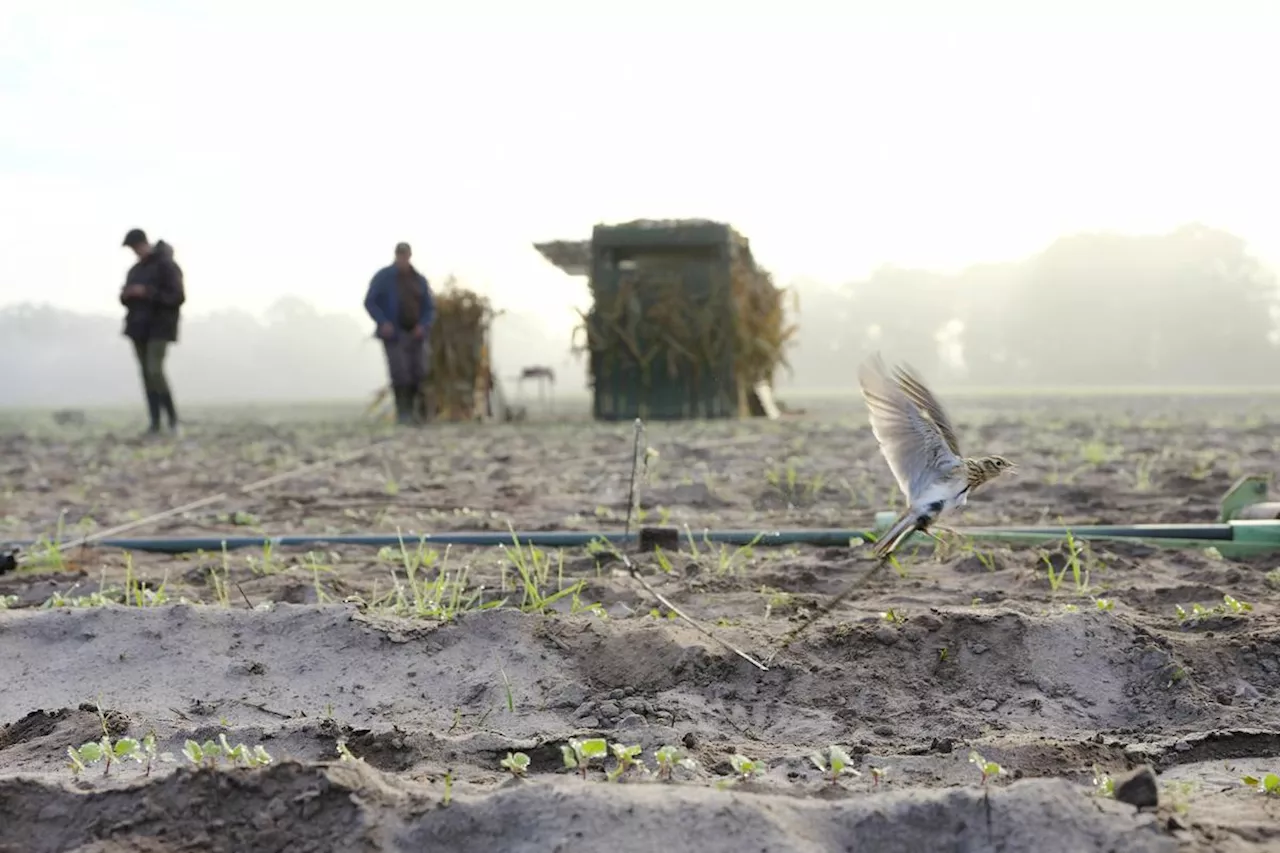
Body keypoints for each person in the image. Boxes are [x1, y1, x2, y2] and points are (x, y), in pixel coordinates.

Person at [119, 228, 185, 435]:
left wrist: (146, 292)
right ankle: (155, 423)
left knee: (155, 371)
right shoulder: (135, 270)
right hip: (138, 327)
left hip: (160, 327)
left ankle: (173, 421)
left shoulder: (167, 266)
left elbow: (177, 297)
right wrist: (128, 294)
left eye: (135, 247)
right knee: (146, 375)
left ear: (143, 243)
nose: (134, 252)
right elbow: (124, 299)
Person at [363, 242, 435, 424]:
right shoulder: (384, 277)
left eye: (405, 255)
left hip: (416, 334)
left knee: (418, 373)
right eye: (400, 255)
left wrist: (423, 325)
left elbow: (429, 308)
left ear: (410, 255)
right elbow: (370, 301)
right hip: (394, 334)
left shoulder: (419, 280)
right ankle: (403, 414)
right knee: (400, 373)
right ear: (396, 255)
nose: (403, 258)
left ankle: (417, 413)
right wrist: (382, 322)